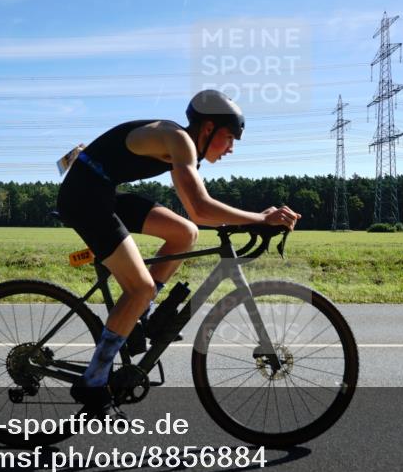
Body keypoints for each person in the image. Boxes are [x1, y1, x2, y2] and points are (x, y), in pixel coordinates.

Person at [56, 89, 301, 411]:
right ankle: (94, 380)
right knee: (140, 286)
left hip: (102, 192)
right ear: (208, 128)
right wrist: (259, 218)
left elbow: (197, 214)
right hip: (84, 198)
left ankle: (138, 318)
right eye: (229, 138)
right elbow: (199, 206)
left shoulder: (181, 143)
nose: (231, 148)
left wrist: (253, 220)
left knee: (185, 233)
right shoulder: (179, 140)